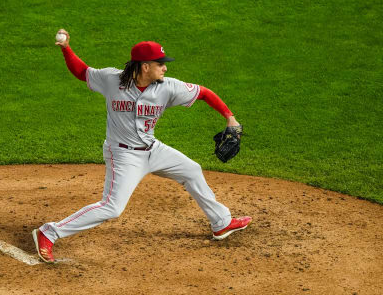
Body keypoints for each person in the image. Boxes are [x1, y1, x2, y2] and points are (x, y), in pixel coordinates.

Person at [32, 29, 252, 263]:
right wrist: (66, 49)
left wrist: (230, 117)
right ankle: (49, 232)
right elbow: (82, 72)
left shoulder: (168, 87)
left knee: (192, 171)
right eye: (161, 64)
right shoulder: (112, 80)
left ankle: (221, 222)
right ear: (145, 66)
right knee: (112, 208)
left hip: (152, 149)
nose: (165, 68)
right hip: (123, 154)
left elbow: (204, 93)